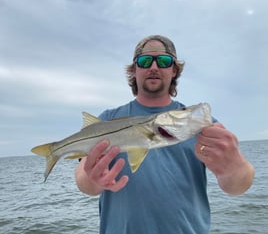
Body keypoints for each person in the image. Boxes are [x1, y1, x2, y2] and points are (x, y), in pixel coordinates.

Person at [75, 35, 255, 234]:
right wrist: (91, 180)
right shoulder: (107, 120)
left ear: (174, 70)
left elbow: (237, 187)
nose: (154, 67)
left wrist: (234, 169)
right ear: (134, 70)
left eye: (163, 61)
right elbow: (84, 178)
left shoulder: (199, 124)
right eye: (144, 61)